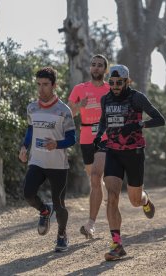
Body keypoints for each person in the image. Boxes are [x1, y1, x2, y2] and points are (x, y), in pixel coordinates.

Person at [94, 64, 165, 261]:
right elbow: (103, 121)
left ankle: (145, 199)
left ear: (127, 82)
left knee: (134, 200)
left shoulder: (136, 97)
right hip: (113, 152)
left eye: (119, 83)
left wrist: (138, 124)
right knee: (113, 196)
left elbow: (160, 120)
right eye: (112, 83)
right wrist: (99, 135)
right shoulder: (105, 99)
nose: (115, 86)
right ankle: (117, 244)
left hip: (134, 153)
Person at [19, 67, 76, 252]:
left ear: (54, 85)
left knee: (60, 205)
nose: (41, 88)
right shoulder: (32, 107)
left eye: (45, 84)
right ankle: (44, 210)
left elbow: (72, 138)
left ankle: (62, 234)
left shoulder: (64, 110)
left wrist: (57, 144)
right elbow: (30, 130)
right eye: (38, 84)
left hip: (58, 164)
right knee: (28, 193)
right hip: (37, 161)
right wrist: (24, 147)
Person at [68, 54, 110, 239]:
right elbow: (69, 113)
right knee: (94, 181)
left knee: (95, 177)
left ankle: (91, 224)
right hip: (86, 138)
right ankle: (104, 195)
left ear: (105, 70)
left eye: (100, 65)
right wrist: (79, 105)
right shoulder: (80, 89)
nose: (96, 68)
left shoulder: (111, 89)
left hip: (106, 137)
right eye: (93, 65)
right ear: (89, 68)